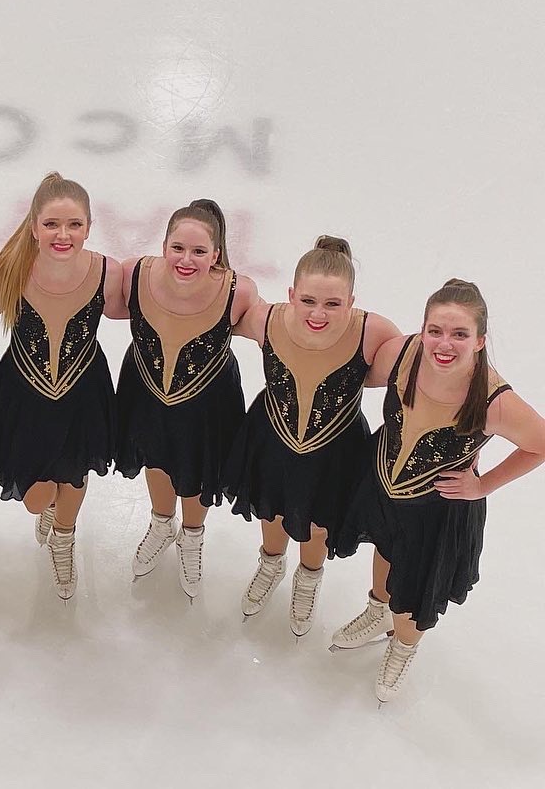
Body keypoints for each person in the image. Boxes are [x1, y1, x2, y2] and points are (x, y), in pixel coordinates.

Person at [331, 280, 545, 702]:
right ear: (423, 329)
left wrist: (482, 485)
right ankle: (377, 611)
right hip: (384, 484)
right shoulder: (400, 354)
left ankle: (404, 645)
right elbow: (355, 376)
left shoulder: (494, 402)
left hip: (439, 508)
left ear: (480, 341)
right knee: (385, 549)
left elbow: (539, 444)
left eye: (460, 334)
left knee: (415, 585)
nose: (445, 344)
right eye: (436, 331)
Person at [225, 236, 401, 634]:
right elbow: (211, 321)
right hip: (272, 436)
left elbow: (414, 379)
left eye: (333, 304)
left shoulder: (373, 332)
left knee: (319, 521)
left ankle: (308, 579)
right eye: (307, 301)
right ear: (291, 294)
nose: (318, 313)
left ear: (352, 302)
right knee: (271, 507)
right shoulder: (266, 319)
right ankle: (271, 563)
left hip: (336, 451)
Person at [0, 171, 127, 601]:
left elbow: (135, 313)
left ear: (89, 226)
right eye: (51, 224)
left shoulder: (107, 272)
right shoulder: (11, 269)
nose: (63, 235)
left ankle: (64, 538)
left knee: (74, 473)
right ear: (34, 227)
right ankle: (51, 510)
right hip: (23, 395)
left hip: (82, 392)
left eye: (74, 225)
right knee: (36, 496)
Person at [117, 200, 260, 598]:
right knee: (155, 456)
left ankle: (192, 535)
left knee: (197, 468)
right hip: (146, 389)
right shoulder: (135, 274)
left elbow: (276, 334)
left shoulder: (238, 291)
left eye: (199, 251)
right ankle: (162, 523)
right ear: (163, 245)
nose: (186, 259)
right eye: (178, 248)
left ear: (216, 254)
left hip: (207, 401)